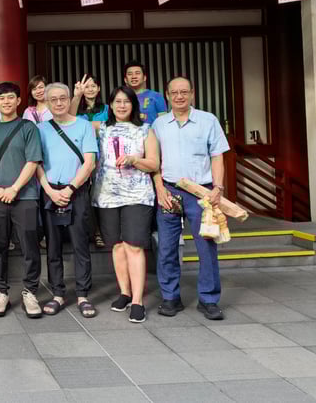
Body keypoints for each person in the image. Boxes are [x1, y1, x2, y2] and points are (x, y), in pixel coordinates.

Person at [152, 77, 229, 321]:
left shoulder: (208, 120)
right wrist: (159, 188)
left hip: (201, 192)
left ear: (192, 94)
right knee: (166, 247)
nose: (179, 96)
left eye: (184, 92)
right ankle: (170, 297)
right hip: (169, 191)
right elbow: (154, 161)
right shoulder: (159, 124)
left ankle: (209, 299)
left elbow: (217, 156)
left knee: (206, 246)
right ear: (167, 95)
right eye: (174, 92)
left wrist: (218, 187)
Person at [93, 86, 159, 324]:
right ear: (110, 105)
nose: (122, 106)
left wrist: (134, 160)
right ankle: (124, 292)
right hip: (106, 195)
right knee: (117, 246)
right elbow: (69, 119)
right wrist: (78, 95)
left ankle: (138, 301)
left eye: (126, 101)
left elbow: (154, 164)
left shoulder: (145, 129)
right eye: (117, 101)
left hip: (137, 195)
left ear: (134, 104)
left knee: (134, 246)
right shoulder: (100, 128)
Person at [0, 82, 43, 319]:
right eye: (1, 98)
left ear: (18, 101)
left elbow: (33, 161)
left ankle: (30, 292)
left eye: (10, 97)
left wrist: (15, 188)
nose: (6, 102)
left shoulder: (28, 127)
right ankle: (1, 292)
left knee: (29, 246)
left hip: (25, 196)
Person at [36, 83, 98, 319]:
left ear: (70, 98)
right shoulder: (40, 129)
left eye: (63, 98)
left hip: (77, 191)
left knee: (80, 244)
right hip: (50, 191)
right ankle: (58, 293)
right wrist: (49, 191)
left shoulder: (83, 125)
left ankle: (82, 294)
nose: (59, 103)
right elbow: (36, 163)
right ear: (47, 103)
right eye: (53, 99)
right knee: (53, 245)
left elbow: (89, 162)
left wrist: (71, 188)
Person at [70, 74, 109, 248]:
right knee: (84, 197)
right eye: (87, 86)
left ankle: (102, 232)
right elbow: (69, 121)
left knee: (100, 196)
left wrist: (87, 127)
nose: (90, 89)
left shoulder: (107, 109)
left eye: (94, 86)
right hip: (82, 159)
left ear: (99, 88)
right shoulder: (76, 110)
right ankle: (89, 232)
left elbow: (112, 127)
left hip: (105, 158)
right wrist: (76, 96)